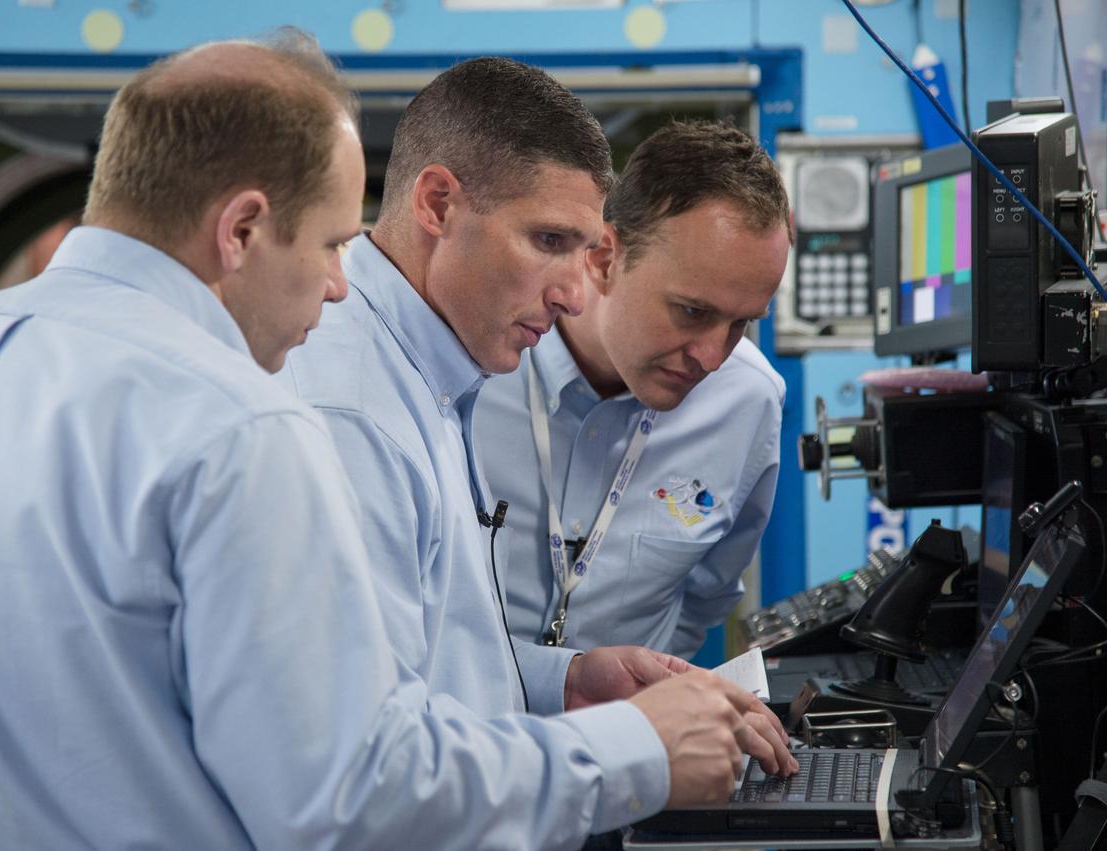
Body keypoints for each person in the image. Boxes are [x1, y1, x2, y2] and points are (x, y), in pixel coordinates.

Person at [0, 36, 786, 851]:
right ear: (243, 228)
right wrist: (634, 750)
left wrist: (550, 678)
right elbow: (345, 799)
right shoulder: (241, 422)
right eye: (334, 243)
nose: (342, 287)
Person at [280, 57, 795, 815]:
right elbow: (365, 775)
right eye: (549, 240)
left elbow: (440, 665)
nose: (570, 291)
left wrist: (568, 677)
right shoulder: (354, 410)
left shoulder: (437, 368)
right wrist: (625, 753)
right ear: (437, 203)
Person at [474, 119, 792, 661]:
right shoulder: (478, 368)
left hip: (624, 740)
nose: (713, 357)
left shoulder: (749, 401)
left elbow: (705, 596)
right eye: (692, 312)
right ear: (603, 259)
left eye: (742, 323)